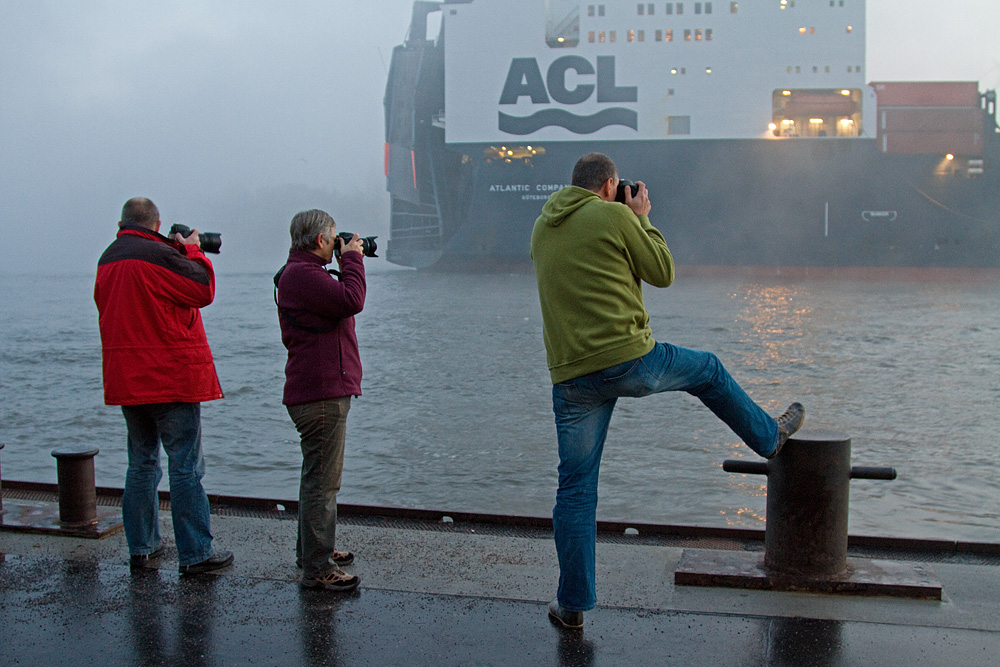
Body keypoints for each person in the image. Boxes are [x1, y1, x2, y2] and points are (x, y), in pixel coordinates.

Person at [530, 153, 805, 629]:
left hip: (571, 376)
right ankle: (768, 438)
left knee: (575, 490)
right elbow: (662, 270)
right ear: (610, 184)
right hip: (629, 360)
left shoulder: (541, 228)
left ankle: (572, 607)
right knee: (710, 371)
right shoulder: (614, 214)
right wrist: (643, 217)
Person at [94, 197, 233, 574]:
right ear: (156, 224)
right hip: (170, 377)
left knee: (141, 464)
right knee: (185, 467)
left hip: (128, 378)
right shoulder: (159, 255)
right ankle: (196, 554)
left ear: (123, 222)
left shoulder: (107, 258)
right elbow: (202, 289)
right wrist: (190, 250)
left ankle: (142, 547)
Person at [276, 209, 366, 592]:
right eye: (333, 239)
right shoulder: (305, 275)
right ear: (319, 240)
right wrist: (354, 261)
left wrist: (346, 260)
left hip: (317, 391)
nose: (336, 245)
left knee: (316, 478)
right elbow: (352, 299)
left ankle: (312, 550)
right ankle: (317, 566)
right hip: (321, 394)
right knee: (323, 484)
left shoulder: (299, 274)